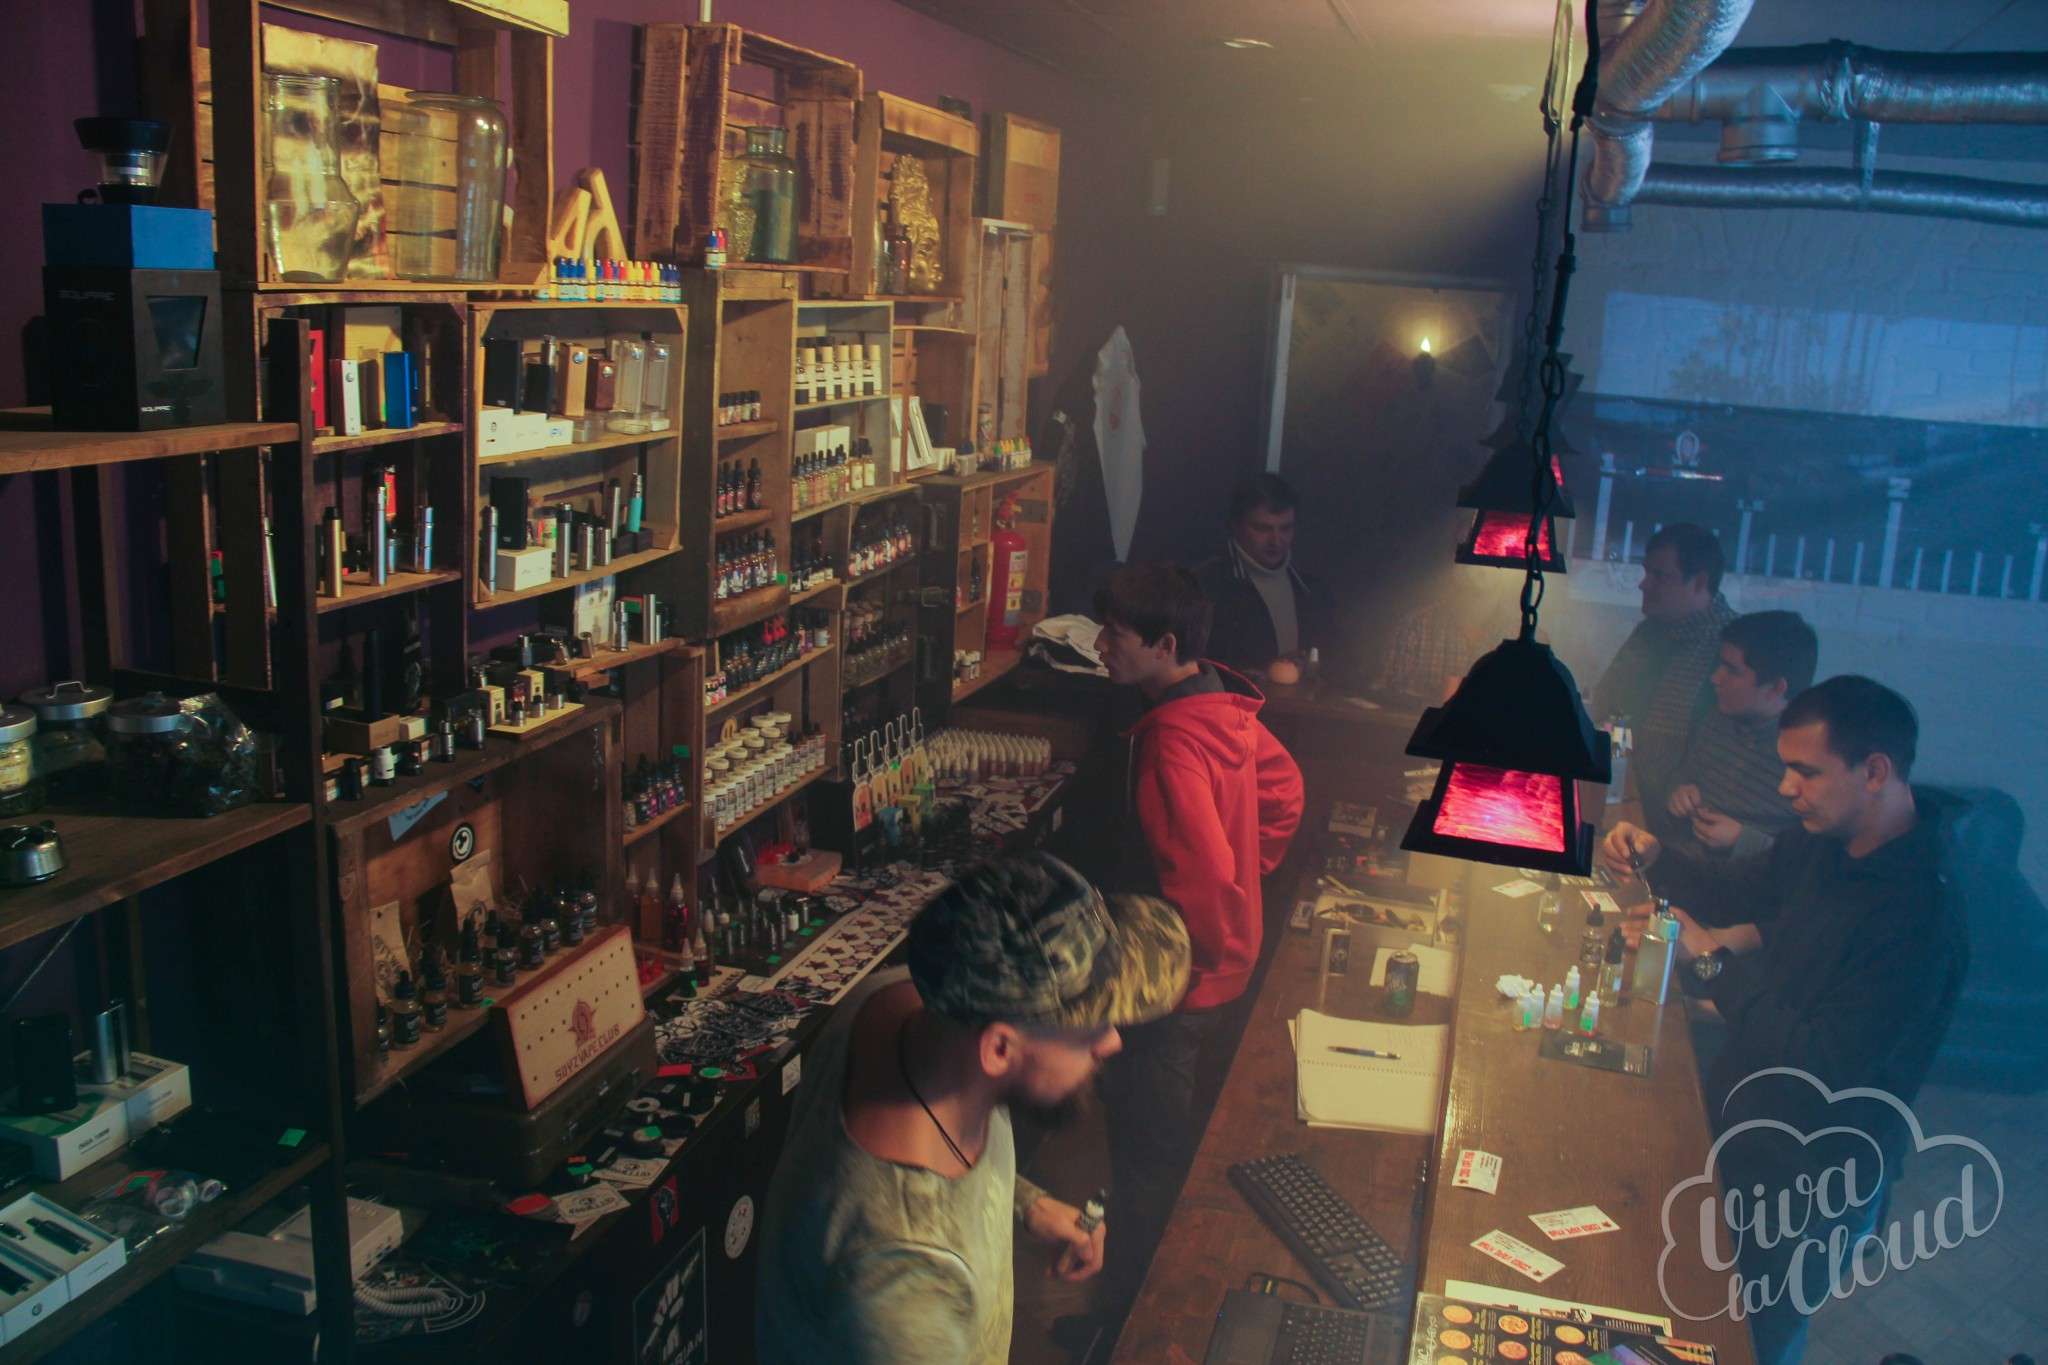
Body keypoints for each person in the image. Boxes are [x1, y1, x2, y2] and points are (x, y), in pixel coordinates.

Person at [1599, 677, 1967, 1365]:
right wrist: (1658, 858)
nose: (1785, 788)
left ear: (1875, 771)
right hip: (1748, 1123)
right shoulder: (1824, 842)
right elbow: (1734, 890)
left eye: (1806, 771)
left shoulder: (1920, 917)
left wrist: (1713, 965)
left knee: (1752, 1337)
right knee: (1689, 1301)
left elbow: (1821, 1065)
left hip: (1815, 1179)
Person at [755, 853, 1192, 1365]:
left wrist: (1025, 1203)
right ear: (999, 1049)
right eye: (1091, 1024)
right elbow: (916, 1212)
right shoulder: (906, 1286)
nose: (1112, 1041)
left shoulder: (903, 1001)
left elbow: (947, 1153)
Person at [1090, 563, 1305, 1313]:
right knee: (1169, 1148)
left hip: (1174, 986)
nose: (1100, 645)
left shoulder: (1171, 741)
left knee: (1146, 1159)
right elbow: (1286, 791)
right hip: (1216, 976)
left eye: (1114, 634)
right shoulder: (1220, 705)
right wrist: (1252, 873)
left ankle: (1123, 1325)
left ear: (1165, 644)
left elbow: (1205, 877)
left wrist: (1193, 956)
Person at [1650, 610, 1818, 860]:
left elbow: (1806, 860)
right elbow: (1682, 776)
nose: (1715, 678)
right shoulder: (1719, 719)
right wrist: (1677, 793)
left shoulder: (1807, 757)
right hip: (1679, 858)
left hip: (1739, 879)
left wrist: (1742, 840)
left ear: (1776, 687)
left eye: (1732, 670)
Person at [1591, 523, 1736, 810]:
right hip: (1631, 801)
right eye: (1647, 572)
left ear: (1699, 582)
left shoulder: (1735, 648)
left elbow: (1733, 745)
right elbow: (1613, 708)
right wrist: (1619, 769)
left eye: (1659, 575)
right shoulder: (1648, 634)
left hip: (1691, 814)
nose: (1644, 584)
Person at [1194, 473, 1329, 680]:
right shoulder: (1205, 585)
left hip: (1300, 700)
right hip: (1231, 699)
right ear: (1236, 526)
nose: (1276, 540)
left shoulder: (1311, 589)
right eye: (1262, 528)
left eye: (1285, 528)